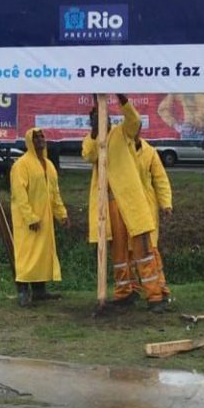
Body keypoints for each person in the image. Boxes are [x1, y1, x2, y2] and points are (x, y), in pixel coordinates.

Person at [82, 94, 165, 311]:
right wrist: (94, 131)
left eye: (102, 117)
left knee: (143, 247)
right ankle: (123, 292)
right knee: (118, 252)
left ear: (110, 118)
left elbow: (134, 121)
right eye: (95, 118)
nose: (100, 120)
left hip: (131, 201)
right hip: (109, 205)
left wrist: (121, 98)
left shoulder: (122, 132)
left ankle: (154, 296)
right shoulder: (92, 139)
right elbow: (88, 155)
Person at [9, 128, 69, 307]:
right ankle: (22, 292)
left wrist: (62, 215)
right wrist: (30, 217)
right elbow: (19, 194)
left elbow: (54, 193)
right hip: (28, 222)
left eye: (41, 137)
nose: (40, 140)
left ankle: (39, 291)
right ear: (29, 142)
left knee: (42, 255)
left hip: (45, 219)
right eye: (35, 138)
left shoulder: (49, 165)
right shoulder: (21, 165)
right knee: (26, 255)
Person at [134, 135, 174, 304]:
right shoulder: (121, 150)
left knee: (150, 251)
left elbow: (160, 179)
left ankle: (159, 290)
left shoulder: (150, 152)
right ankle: (132, 291)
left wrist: (166, 204)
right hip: (126, 209)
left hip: (147, 210)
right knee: (129, 254)